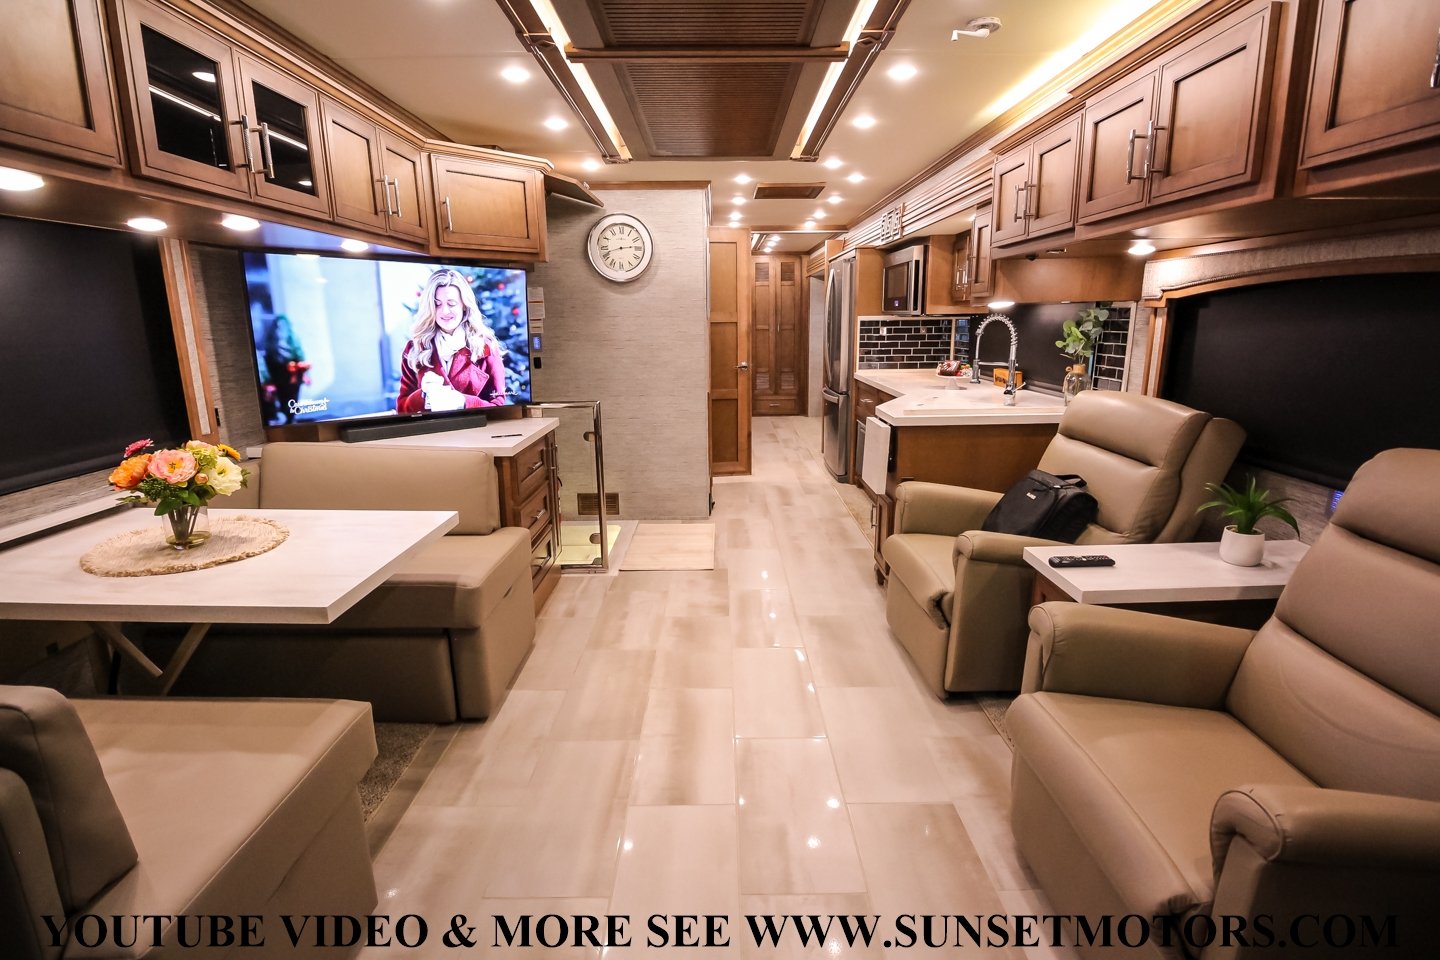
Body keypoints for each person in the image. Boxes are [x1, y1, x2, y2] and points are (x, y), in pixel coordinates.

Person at [396, 268, 508, 413]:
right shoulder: (415, 348)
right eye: (437, 304)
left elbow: (499, 408)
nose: (445, 311)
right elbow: (402, 409)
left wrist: (463, 402)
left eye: (451, 303)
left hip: (475, 428)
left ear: (464, 305)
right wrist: (423, 395)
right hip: (432, 428)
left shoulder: (485, 347)